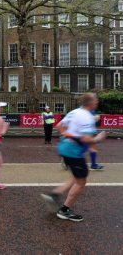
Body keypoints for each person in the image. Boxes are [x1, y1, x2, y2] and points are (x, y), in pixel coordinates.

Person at [41, 93, 106, 222]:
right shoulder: (87, 117)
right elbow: (86, 138)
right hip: (73, 152)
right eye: (96, 100)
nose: (97, 102)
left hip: (64, 148)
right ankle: (64, 210)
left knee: (76, 176)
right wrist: (98, 138)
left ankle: (54, 195)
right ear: (91, 103)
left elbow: (60, 127)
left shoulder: (74, 112)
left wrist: (68, 137)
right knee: (81, 181)